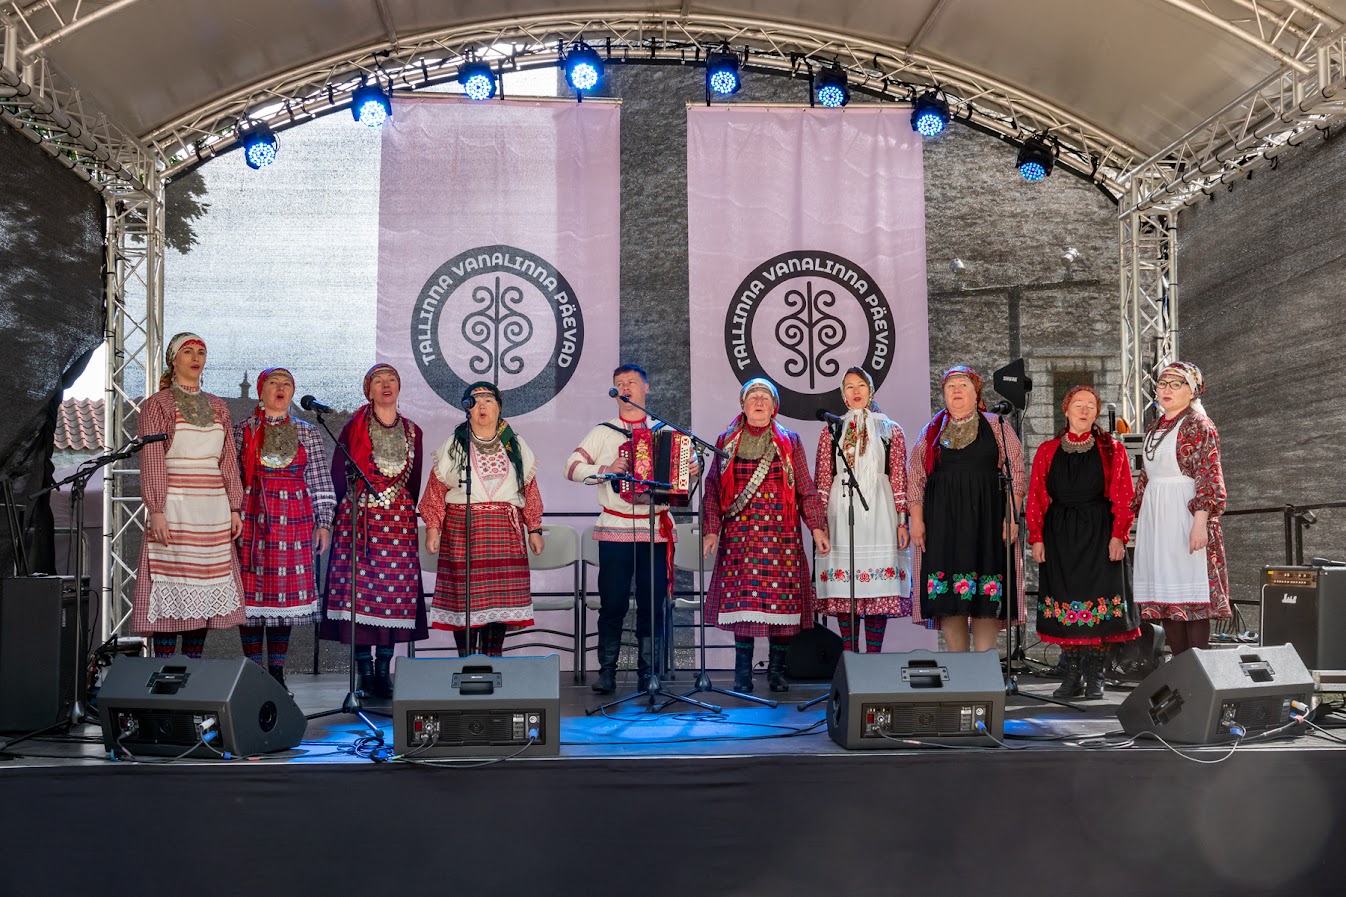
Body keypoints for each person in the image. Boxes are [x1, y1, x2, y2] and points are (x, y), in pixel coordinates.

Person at [565, 364, 697, 694]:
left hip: (656, 531)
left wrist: (691, 468)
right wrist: (605, 468)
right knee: (613, 603)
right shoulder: (603, 432)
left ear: (646, 388)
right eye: (620, 383)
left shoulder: (666, 431)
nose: (625, 388)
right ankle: (607, 672)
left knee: (653, 605)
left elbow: (685, 475)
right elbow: (571, 467)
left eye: (632, 382)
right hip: (615, 529)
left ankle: (648, 674)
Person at [702, 378, 830, 692]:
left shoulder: (790, 440)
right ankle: (742, 673)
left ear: (774, 407)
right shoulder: (726, 441)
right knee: (742, 604)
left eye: (765, 398)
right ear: (743, 405)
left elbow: (806, 489)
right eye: (753, 397)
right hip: (740, 536)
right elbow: (713, 489)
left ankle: (776, 672)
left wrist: (817, 528)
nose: (759, 402)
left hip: (781, 536)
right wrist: (711, 530)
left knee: (782, 605)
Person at [132, 332, 246, 657]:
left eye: (201, 352)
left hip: (213, 509)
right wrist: (156, 509)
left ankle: (193, 670)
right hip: (174, 506)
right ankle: (166, 672)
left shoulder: (219, 406)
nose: (196, 357)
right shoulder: (157, 405)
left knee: (205, 585)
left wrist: (234, 508)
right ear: (173, 359)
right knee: (172, 583)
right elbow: (153, 458)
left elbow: (228, 460)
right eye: (188, 351)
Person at [320, 362, 427, 698]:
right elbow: (339, 474)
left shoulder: (413, 431)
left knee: (394, 597)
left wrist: (400, 509)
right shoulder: (353, 427)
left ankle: (384, 671)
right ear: (368, 390)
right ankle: (365, 673)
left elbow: (414, 480)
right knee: (360, 597)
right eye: (378, 380)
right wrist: (340, 515)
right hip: (359, 520)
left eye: (391, 379)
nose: (386, 385)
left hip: (397, 522)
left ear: (399, 387)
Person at [1026, 385, 1139, 698]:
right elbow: (1036, 496)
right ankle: (1073, 675)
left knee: (1099, 596)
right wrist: (1037, 537)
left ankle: (1095, 674)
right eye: (1078, 403)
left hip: (1099, 532)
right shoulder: (1047, 450)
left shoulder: (1111, 449)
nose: (1084, 409)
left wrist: (1118, 536)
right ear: (1066, 409)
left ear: (1096, 412)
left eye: (1090, 404)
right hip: (1060, 534)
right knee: (1065, 596)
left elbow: (1124, 496)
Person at [420, 382, 545, 657]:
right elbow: (435, 489)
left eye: (489, 400)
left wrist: (534, 528)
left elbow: (530, 489)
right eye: (476, 401)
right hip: (462, 530)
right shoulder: (455, 444)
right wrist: (433, 527)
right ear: (468, 409)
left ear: (499, 407)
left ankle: (493, 657)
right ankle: (466, 660)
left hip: (504, 530)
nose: (483, 406)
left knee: (500, 599)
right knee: (464, 598)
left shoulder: (515, 444)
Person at [909, 366, 1026, 651]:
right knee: (950, 595)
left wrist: (1011, 517)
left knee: (986, 594)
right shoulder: (931, 431)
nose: (957, 390)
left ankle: (984, 664)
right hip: (943, 523)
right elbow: (915, 476)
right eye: (951, 386)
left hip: (986, 521)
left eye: (963, 385)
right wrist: (917, 520)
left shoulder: (997, 425)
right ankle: (959, 666)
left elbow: (1016, 472)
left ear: (976, 393)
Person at [233, 367, 335, 692]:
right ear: (261, 391)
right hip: (253, 516)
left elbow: (319, 479)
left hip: (294, 518)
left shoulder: (307, 432)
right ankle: (253, 674)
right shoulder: (243, 430)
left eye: (287, 384)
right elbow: (231, 478)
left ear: (293, 392)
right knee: (252, 598)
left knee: (284, 600)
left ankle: (276, 673)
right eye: (274, 383)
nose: (281, 388)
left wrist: (324, 522)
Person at [1132, 361, 1230, 655]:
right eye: (1163, 384)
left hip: (1185, 515)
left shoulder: (1199, 424)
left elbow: (1209, 474)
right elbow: (1146, 478)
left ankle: (1196, 668)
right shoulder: (1155, 427)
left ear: (1193, 391)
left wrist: (1200, 523)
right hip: (1158, 517)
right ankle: (1178, 666)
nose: (1167, 390)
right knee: (1167, 597)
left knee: (1191, 595)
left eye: (1176, 385)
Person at [814, 367, 913, 653]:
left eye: (861, 385)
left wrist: (902, 521)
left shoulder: (890, 430)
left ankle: (873, 658)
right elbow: (823, 479)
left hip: (879, 511)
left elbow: (899, 478)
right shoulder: (832, 430)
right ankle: (849, 655)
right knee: (845, 585)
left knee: (876, 587)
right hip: (841, 511)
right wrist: (821, 524)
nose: (855, 391)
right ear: (843, 394)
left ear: (871, 390)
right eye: (849, 386)